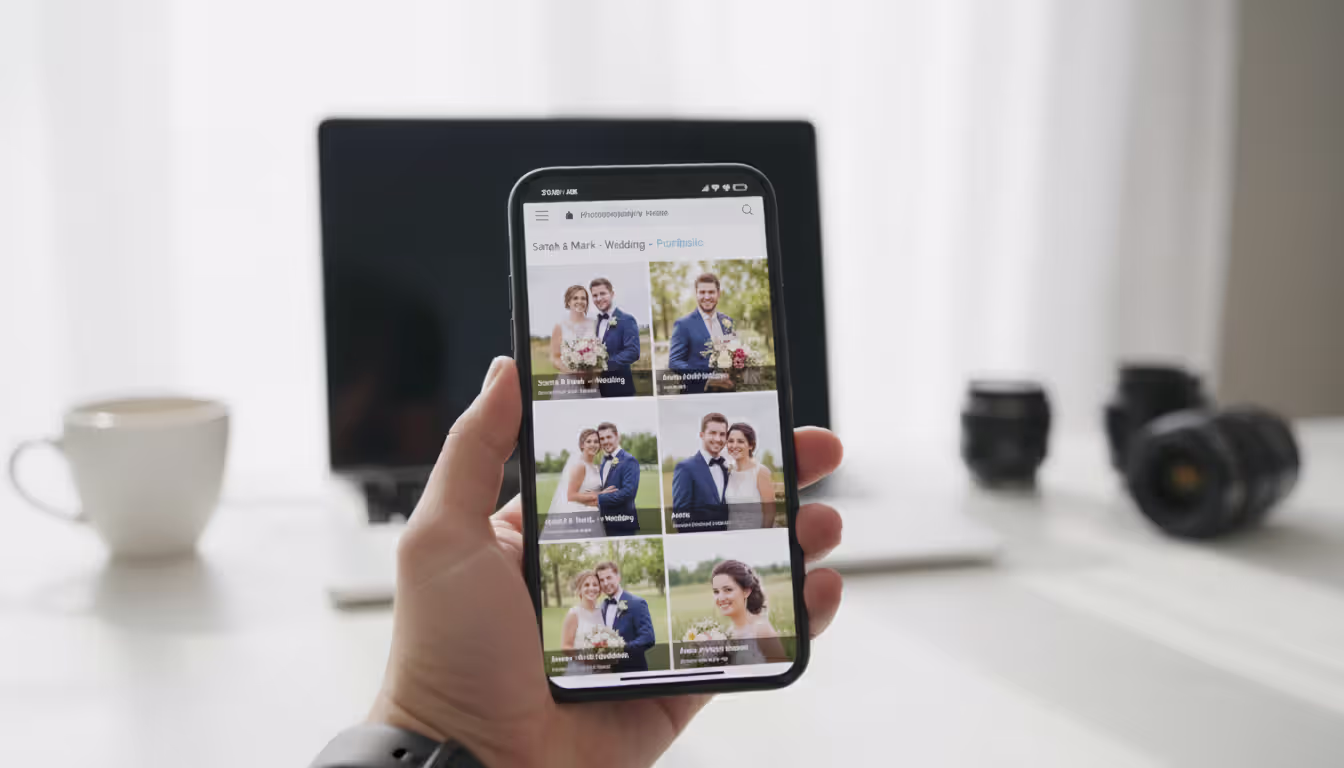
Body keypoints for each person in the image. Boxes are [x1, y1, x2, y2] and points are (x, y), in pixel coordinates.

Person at [349, 357, 843, 768]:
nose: (602, 445)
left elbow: (646, 628)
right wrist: (432, 719)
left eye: (605, 440)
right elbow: (628, 501)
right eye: (596, 441)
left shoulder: (637, 473)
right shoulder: (640, 472)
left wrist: (418, 722)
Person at [667, 272, 735, 394]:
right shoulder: (683, 324)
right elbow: (674, 362)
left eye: (711, 292)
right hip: (696, 393)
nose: (707, 297)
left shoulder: (727, 321)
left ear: (718, 294)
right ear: (696, 294)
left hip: (726, 392)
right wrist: (707, 377)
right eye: (702, 292)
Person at [540, 428, 608, 540]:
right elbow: (571, 495)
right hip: (579, 516)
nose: (593, 445)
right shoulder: (580, 466)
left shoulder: (595, 468)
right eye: (589, 441)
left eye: (596, 442)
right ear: (582, 445)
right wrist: (599, 495)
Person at [671, 412, 732, 532]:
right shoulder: (685, 468)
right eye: (713, 433)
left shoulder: (726, 468)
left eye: (722, 434)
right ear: (702, 435)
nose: (718, 439)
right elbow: (681, 518)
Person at [593, 560, 655, 673]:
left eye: (609, 577)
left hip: (634, 673)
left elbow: (648, 638)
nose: (606, 583)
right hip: (608, 675)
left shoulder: (637, 603)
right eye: (602, 580)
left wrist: (619, 649)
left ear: (618, 577)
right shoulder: (602, 607)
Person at [589, 277, 641, 398]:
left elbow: (633, 352)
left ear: (612, 294)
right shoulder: (597, 322)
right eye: (595, 295)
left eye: (602, 293)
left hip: (621, 388)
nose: (599, 298)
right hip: (601, 389)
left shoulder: (627, 320)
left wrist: (604, 365)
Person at [549, 285, 599, 399]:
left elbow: (601, 351)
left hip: (590, 382)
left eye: (583, 298)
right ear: (568, 302)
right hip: (568, 382)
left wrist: (591, 370)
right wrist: (572, 370)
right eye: (575, 298)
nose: (580, 301)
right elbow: (554, 357)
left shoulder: (595, 324)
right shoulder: (560, 326)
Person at [724, 422, 776, 530]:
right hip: (731, 536)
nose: (734, 445)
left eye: (740, 441)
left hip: (755, 536)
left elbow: (770, 512)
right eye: (730, 441)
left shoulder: (761, 472)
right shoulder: (728, 472)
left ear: (751, 445)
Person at [594, 422, 640, 535]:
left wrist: (597, 499)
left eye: (609, 437)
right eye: (602, 439)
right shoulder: (603, 461)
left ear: (617, 437)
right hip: (604, 523)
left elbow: (628, 493)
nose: (605, 441)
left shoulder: (629, 460)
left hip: (623, 525)